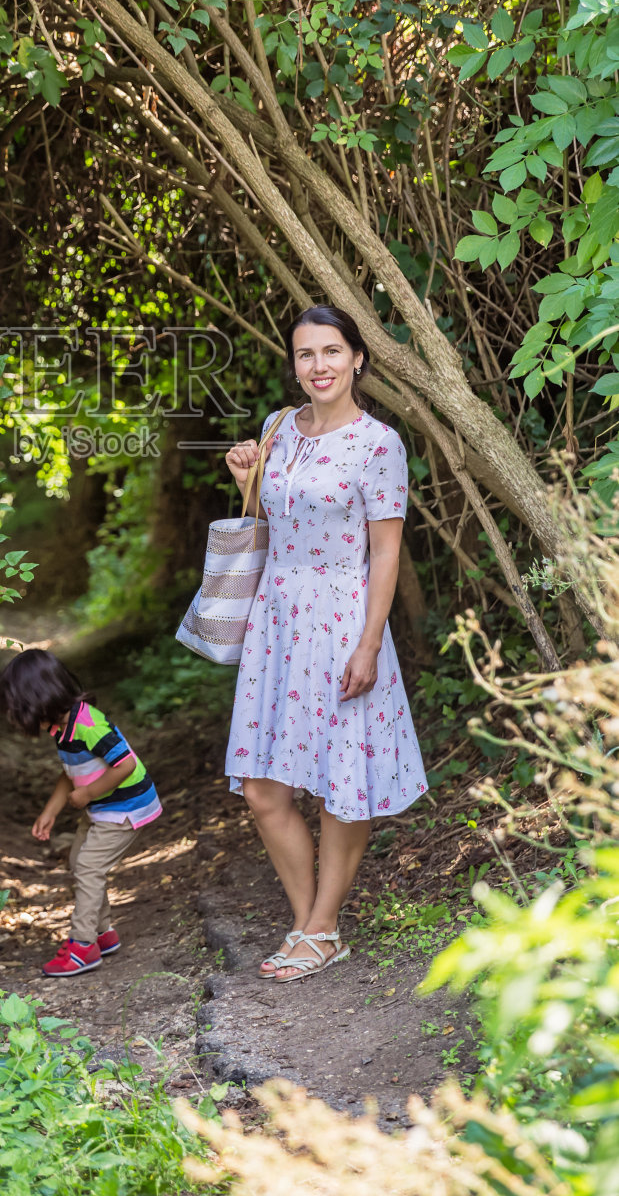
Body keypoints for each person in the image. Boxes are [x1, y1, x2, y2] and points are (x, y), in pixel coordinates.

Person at [224, 304, 427, 983]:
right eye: (306, 354)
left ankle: (318, 929)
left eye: (331, 352)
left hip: (343, 617)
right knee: (262, 788)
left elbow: (385, 553)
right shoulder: (277, 427)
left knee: (341, 784)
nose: (318, 366)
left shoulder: (378, 444)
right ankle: (310, 922)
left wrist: (368, 645)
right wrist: (244, 476)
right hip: (276, 619)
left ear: (357, 359)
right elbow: (273, 514)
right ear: (295, 363)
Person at [0, 648, 162, 977]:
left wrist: (86, 794)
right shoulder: (61, 728)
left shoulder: (88, 725)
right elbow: (69, 771)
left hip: (126, 806)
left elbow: (125, 764)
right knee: (78, 861)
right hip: (104, 806)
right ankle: (102, 933)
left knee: (88, 866)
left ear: (42, 700)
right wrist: (51, 811)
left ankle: (83, 945)